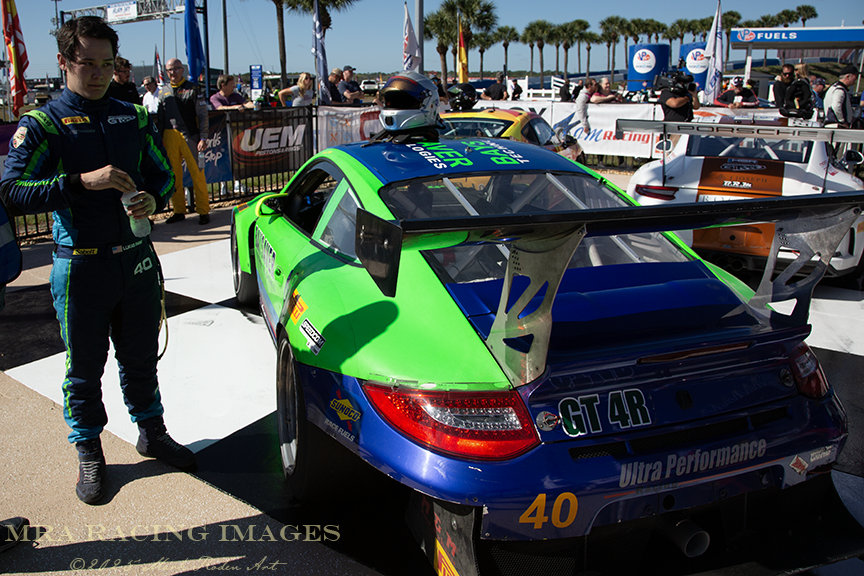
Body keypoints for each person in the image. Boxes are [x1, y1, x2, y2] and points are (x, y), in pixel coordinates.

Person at [0, 16, 194, 505]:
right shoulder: (43, 123)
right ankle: (88, 448)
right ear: (64, 62)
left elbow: (162, 174)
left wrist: (153, 199)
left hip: (135, 260)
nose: (99, 74)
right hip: (81, 266)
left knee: (140, 356)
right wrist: (80, 182)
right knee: (84, 368)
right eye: (87, 63)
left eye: (107, 64)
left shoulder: (133, 114)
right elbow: (11, 191)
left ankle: (152, 431)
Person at [156, 57, 210, 225]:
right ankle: (178, 210)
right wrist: (159, 139)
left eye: (176, 69)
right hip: (169, 136)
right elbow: (160, 117)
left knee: (198, 173)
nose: (173, 72)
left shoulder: (193, 88)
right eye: (169, 70)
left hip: (190, 136)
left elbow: (203, 115)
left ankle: (203, 211)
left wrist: (203, 137)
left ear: (182, 70)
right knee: (173, 176)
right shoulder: (163, 91)